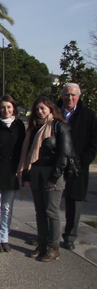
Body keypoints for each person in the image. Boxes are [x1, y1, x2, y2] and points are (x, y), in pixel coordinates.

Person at [18, 96, 72, 262]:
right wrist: (26, 175)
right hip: (36, 172)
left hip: (52, 174)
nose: (39, 112)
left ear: (50, 109)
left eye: (43, 108)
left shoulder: (59, 127)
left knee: (51, 211)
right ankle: (41, 243)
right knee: (40, 211)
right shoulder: (33, 129)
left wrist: (55, 176)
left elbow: (65, 154)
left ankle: (53, 246)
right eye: (37, 109)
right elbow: (27, 155)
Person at [57, 83, 97, 250]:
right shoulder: (54, 112)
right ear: (62, 95)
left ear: (79, 96)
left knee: (74, 203)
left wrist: (82, 161)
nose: (70, 98)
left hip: (77, 166)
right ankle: (46, 235)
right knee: (50, 202)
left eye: (73, 95)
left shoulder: (88, 115)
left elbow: (93, 143)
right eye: (66, 94)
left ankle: (70, 237)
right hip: (56, 165)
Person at [0, 96, 25, 252]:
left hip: (12, 171)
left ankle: (5, 236)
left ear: (14, 108)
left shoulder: (19, 125)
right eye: (3, 107)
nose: (6, 110)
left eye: (9, 107)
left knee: (7, 207)